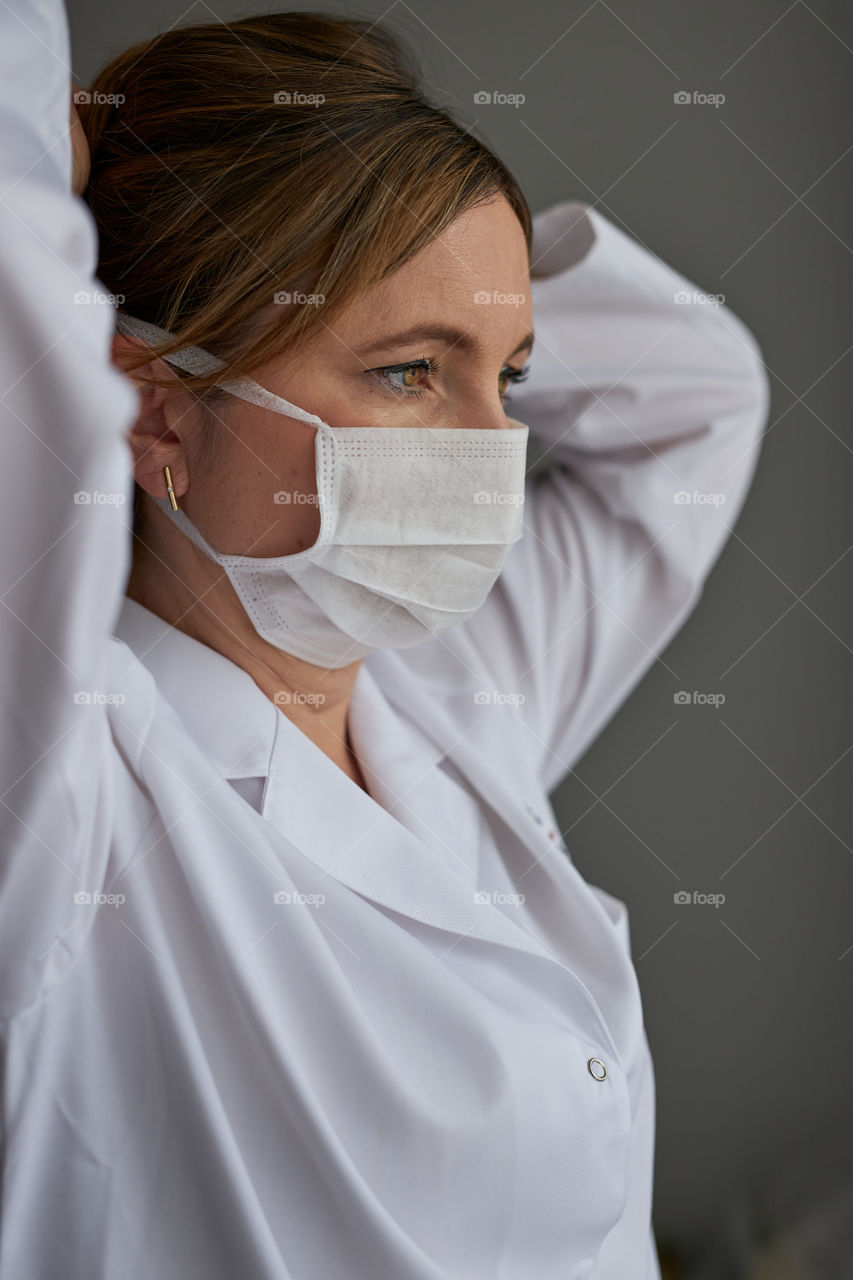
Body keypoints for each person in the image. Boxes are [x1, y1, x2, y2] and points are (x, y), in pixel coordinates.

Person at [0, 5, 769, 1279]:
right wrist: (63, 143)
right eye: (412, 373)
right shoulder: (65, 789)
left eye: (511, 378)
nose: (492, 455)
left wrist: (420, 246)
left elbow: (697, 396)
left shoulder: (455, 686)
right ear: (153, 412)